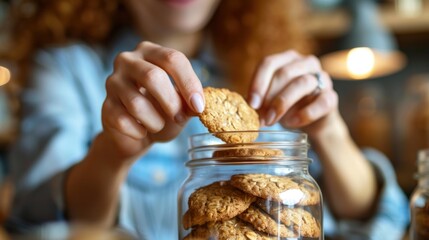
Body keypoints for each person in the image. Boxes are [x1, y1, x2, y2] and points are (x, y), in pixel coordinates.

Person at [1, 0, 409, 239]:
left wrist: (328, 130)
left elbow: (375, 221)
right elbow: (39, 223)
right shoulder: (67, 69)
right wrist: (114, 151)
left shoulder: (266, 64)